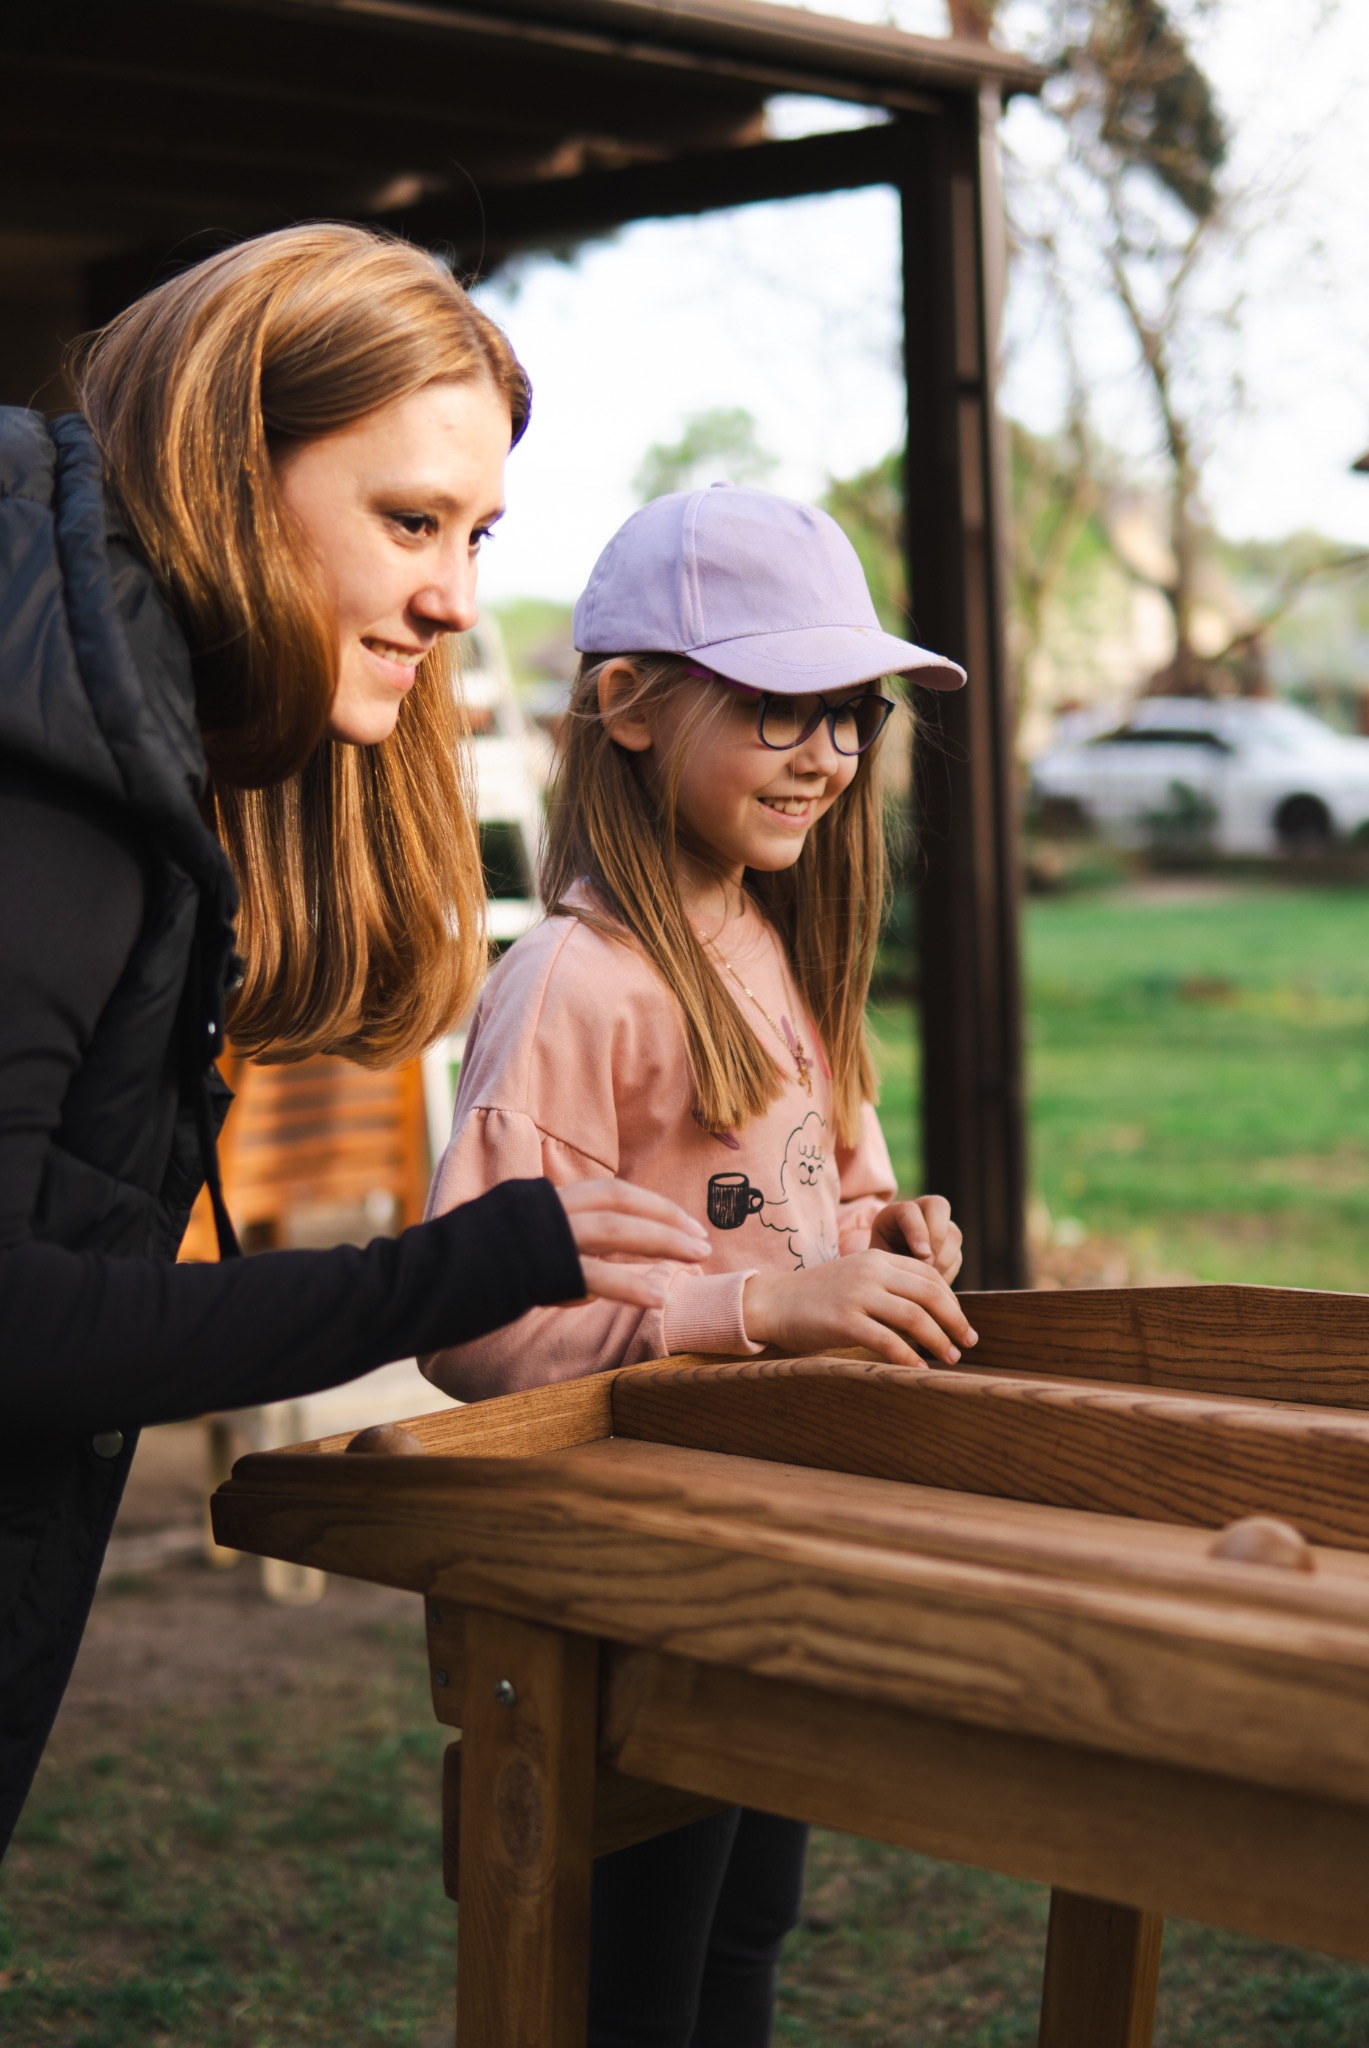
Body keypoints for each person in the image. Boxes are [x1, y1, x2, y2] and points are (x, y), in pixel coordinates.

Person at [0, 223, 711, 1862]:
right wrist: (451, 1272)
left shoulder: (96, 729)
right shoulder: (52, 799)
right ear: (227, 473)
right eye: (409, 522)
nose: (453, 598)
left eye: (475, 534)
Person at [421, 482, 977, 2047]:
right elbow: (473, 1325)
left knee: (745, 1930)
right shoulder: (569, 987)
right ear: (626, 707)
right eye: (777, 707)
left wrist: (881, 1241)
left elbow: (827, 1197)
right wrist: (753, 1309)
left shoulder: (783, 942)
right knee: (633, 1969)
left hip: (767, 1546)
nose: (827, 752)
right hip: (624, 1580)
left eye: (848, 712)